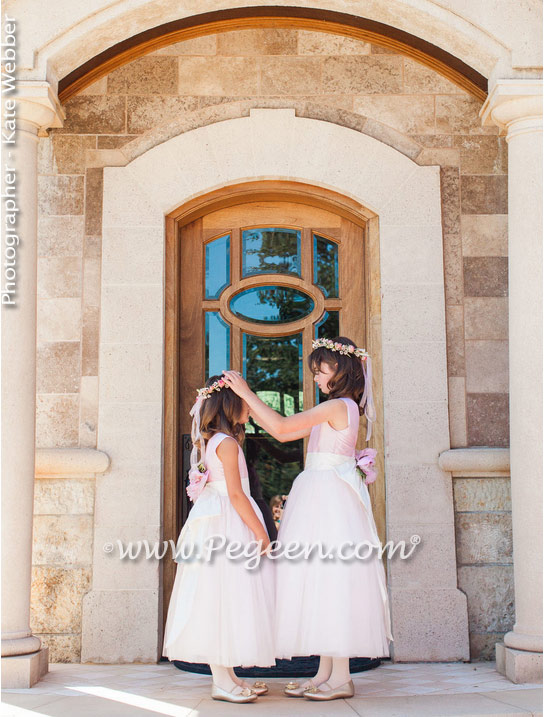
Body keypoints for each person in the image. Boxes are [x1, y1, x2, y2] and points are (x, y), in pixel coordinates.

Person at [222, 336, 394, 701]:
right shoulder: (336, 407)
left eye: (321, 370)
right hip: (320, 494)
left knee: (332, 579)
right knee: (319, 579)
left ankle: (341, 677)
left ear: (341, 370)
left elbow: (283, 429)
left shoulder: (341, 405)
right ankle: (325, 673)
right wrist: (246, 406)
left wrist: (247, 392)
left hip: (329, 499)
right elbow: (281, 431)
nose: (315, 377)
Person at [162, 375, 276, 704]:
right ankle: (221, 681)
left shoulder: (214, 441)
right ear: (230, 404)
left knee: (227, 596)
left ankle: (229, 677)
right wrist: (260, 531)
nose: (250, 408)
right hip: (229, 524)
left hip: (221, 521)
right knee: (224, 597)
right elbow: (238, 496)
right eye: (244, 401)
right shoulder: (226, 444)